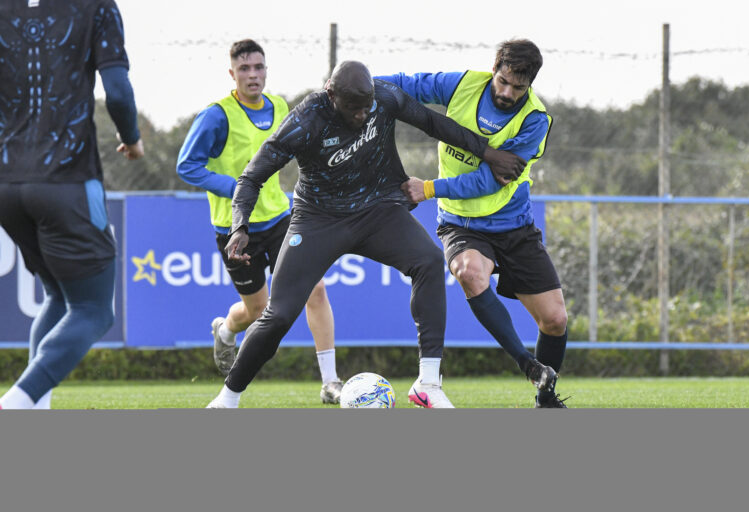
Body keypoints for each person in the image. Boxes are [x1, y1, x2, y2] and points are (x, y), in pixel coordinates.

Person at [206, 60, 550, 409]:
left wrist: (489, 154)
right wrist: (240, 226)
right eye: (353, 108)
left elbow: (434, 123)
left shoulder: (383, 96)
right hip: (319, 219)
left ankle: (428, 382)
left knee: (429, 261)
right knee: (278, 314)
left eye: (366, 106)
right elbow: (251, 177)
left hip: (378, 211)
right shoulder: (305, 121)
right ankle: (227, 399)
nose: (362, 115)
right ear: (331, 95)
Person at [378, 39, 569, 408]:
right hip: (462, 223)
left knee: (555, 320)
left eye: (518, 87)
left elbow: (488, 181)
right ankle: (527, 363)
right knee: (469, 272)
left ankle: (545, 400)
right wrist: (357, 82)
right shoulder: (463, 84)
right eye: (503, 81)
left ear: (530, 85)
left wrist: (428, 188)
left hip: (514, 226)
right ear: (494, 69)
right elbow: (408, 83)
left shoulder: (534, 120)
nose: (507, 92)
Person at [177, 39, 342, 404]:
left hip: (282, 217)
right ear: (232, 73)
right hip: (237, 229)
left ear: (266, 70)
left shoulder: (279, 106)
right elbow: (187, 166)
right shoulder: (216, 116)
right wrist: (237, 189)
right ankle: (226, 329)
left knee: (315, 288)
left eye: (258, 67)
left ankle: (331, 383)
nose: (253, 75)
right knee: (257, 311)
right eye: (244, 69)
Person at [0, 0, 143, 410]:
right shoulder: (96, 5)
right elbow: (118, 92)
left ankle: (35, 411)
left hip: (7, 184)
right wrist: (131, 138)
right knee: (94, 310)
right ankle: (15, 404)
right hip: (68, 182)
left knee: (59, 297)